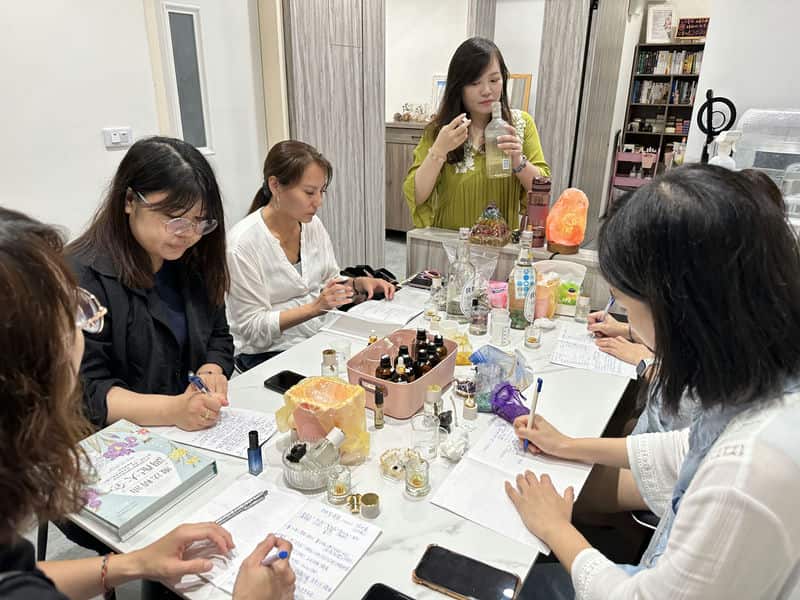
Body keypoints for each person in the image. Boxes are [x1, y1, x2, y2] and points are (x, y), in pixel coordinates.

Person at [506, 164, 800, 598]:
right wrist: (566, 444)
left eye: (627, 306)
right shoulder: (766, 382)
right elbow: (687, 447)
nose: (631, 326)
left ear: (680, 312)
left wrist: (556, 529)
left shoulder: (748, 475)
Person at [0, 207, 295, 600]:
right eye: (77, 314)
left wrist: (133, 564)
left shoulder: (193, 265)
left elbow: (17, 575)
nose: (187, 233)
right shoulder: (98, 273)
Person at [68, 136, 234, 431]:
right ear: (130, 201)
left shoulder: (192, 256)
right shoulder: (82, 276)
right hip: (119, 436)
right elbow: (86, 391)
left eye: (200, 221)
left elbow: (218, 336)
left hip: (191, 427)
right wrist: (173, 410)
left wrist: (211, 371)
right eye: (175, 218)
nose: (188, 233)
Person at [227, 140, 396, 371]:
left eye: (321, 191)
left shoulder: (312, 225)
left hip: (319, 335)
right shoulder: (241, 245)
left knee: (383, 357)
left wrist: (356, 284)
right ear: (275, 185)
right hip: (267, 353)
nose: (318, 202)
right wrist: (314, 308)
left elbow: (329, 283)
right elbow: (250, 328)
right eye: (309, 192)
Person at [403, 37, 550, 230]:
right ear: (458, 86)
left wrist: (517, 160)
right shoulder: (441, 130)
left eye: (494, 80)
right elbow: (417, 195)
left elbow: (540, 190)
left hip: (501, 242)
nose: (487, 91)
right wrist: (438, 151)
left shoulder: (521, 124)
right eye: (474, 82)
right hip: (451, 242)